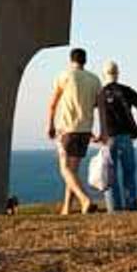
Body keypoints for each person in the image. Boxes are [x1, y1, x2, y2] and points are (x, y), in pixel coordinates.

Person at [47, 48, 102, 215]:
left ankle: (85, 200)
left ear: (71, 60)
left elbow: (53, 104)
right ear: (85, 60)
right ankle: (66, 209)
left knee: (65, 169)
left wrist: (50, 125)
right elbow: (98, 106)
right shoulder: (95, 79)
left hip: (67, 129)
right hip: (85, 130)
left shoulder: (64, 76)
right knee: (73, 171)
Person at [97, 60, 137, 212]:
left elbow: (96, 116)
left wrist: (95, 135)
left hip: (108, 138)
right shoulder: (126, 90)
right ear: (117, 73)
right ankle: (131, 206)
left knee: (109, 175)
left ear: (104, 74)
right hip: (126, 136)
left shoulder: (100, 94)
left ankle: (114, 208)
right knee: (129, 173)